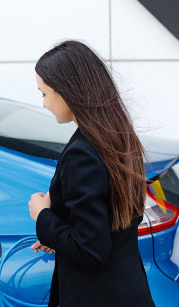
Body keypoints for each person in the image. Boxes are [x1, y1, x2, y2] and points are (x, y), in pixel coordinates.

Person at [28, 41, 155, 307]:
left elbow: (90, 250)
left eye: (44, 93)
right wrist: (58, 236)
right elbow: (108, 225)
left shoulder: (82, 153)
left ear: (66, 92)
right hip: (129, 291)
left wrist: (43, 216)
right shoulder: (118, 135)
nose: (44, 104)